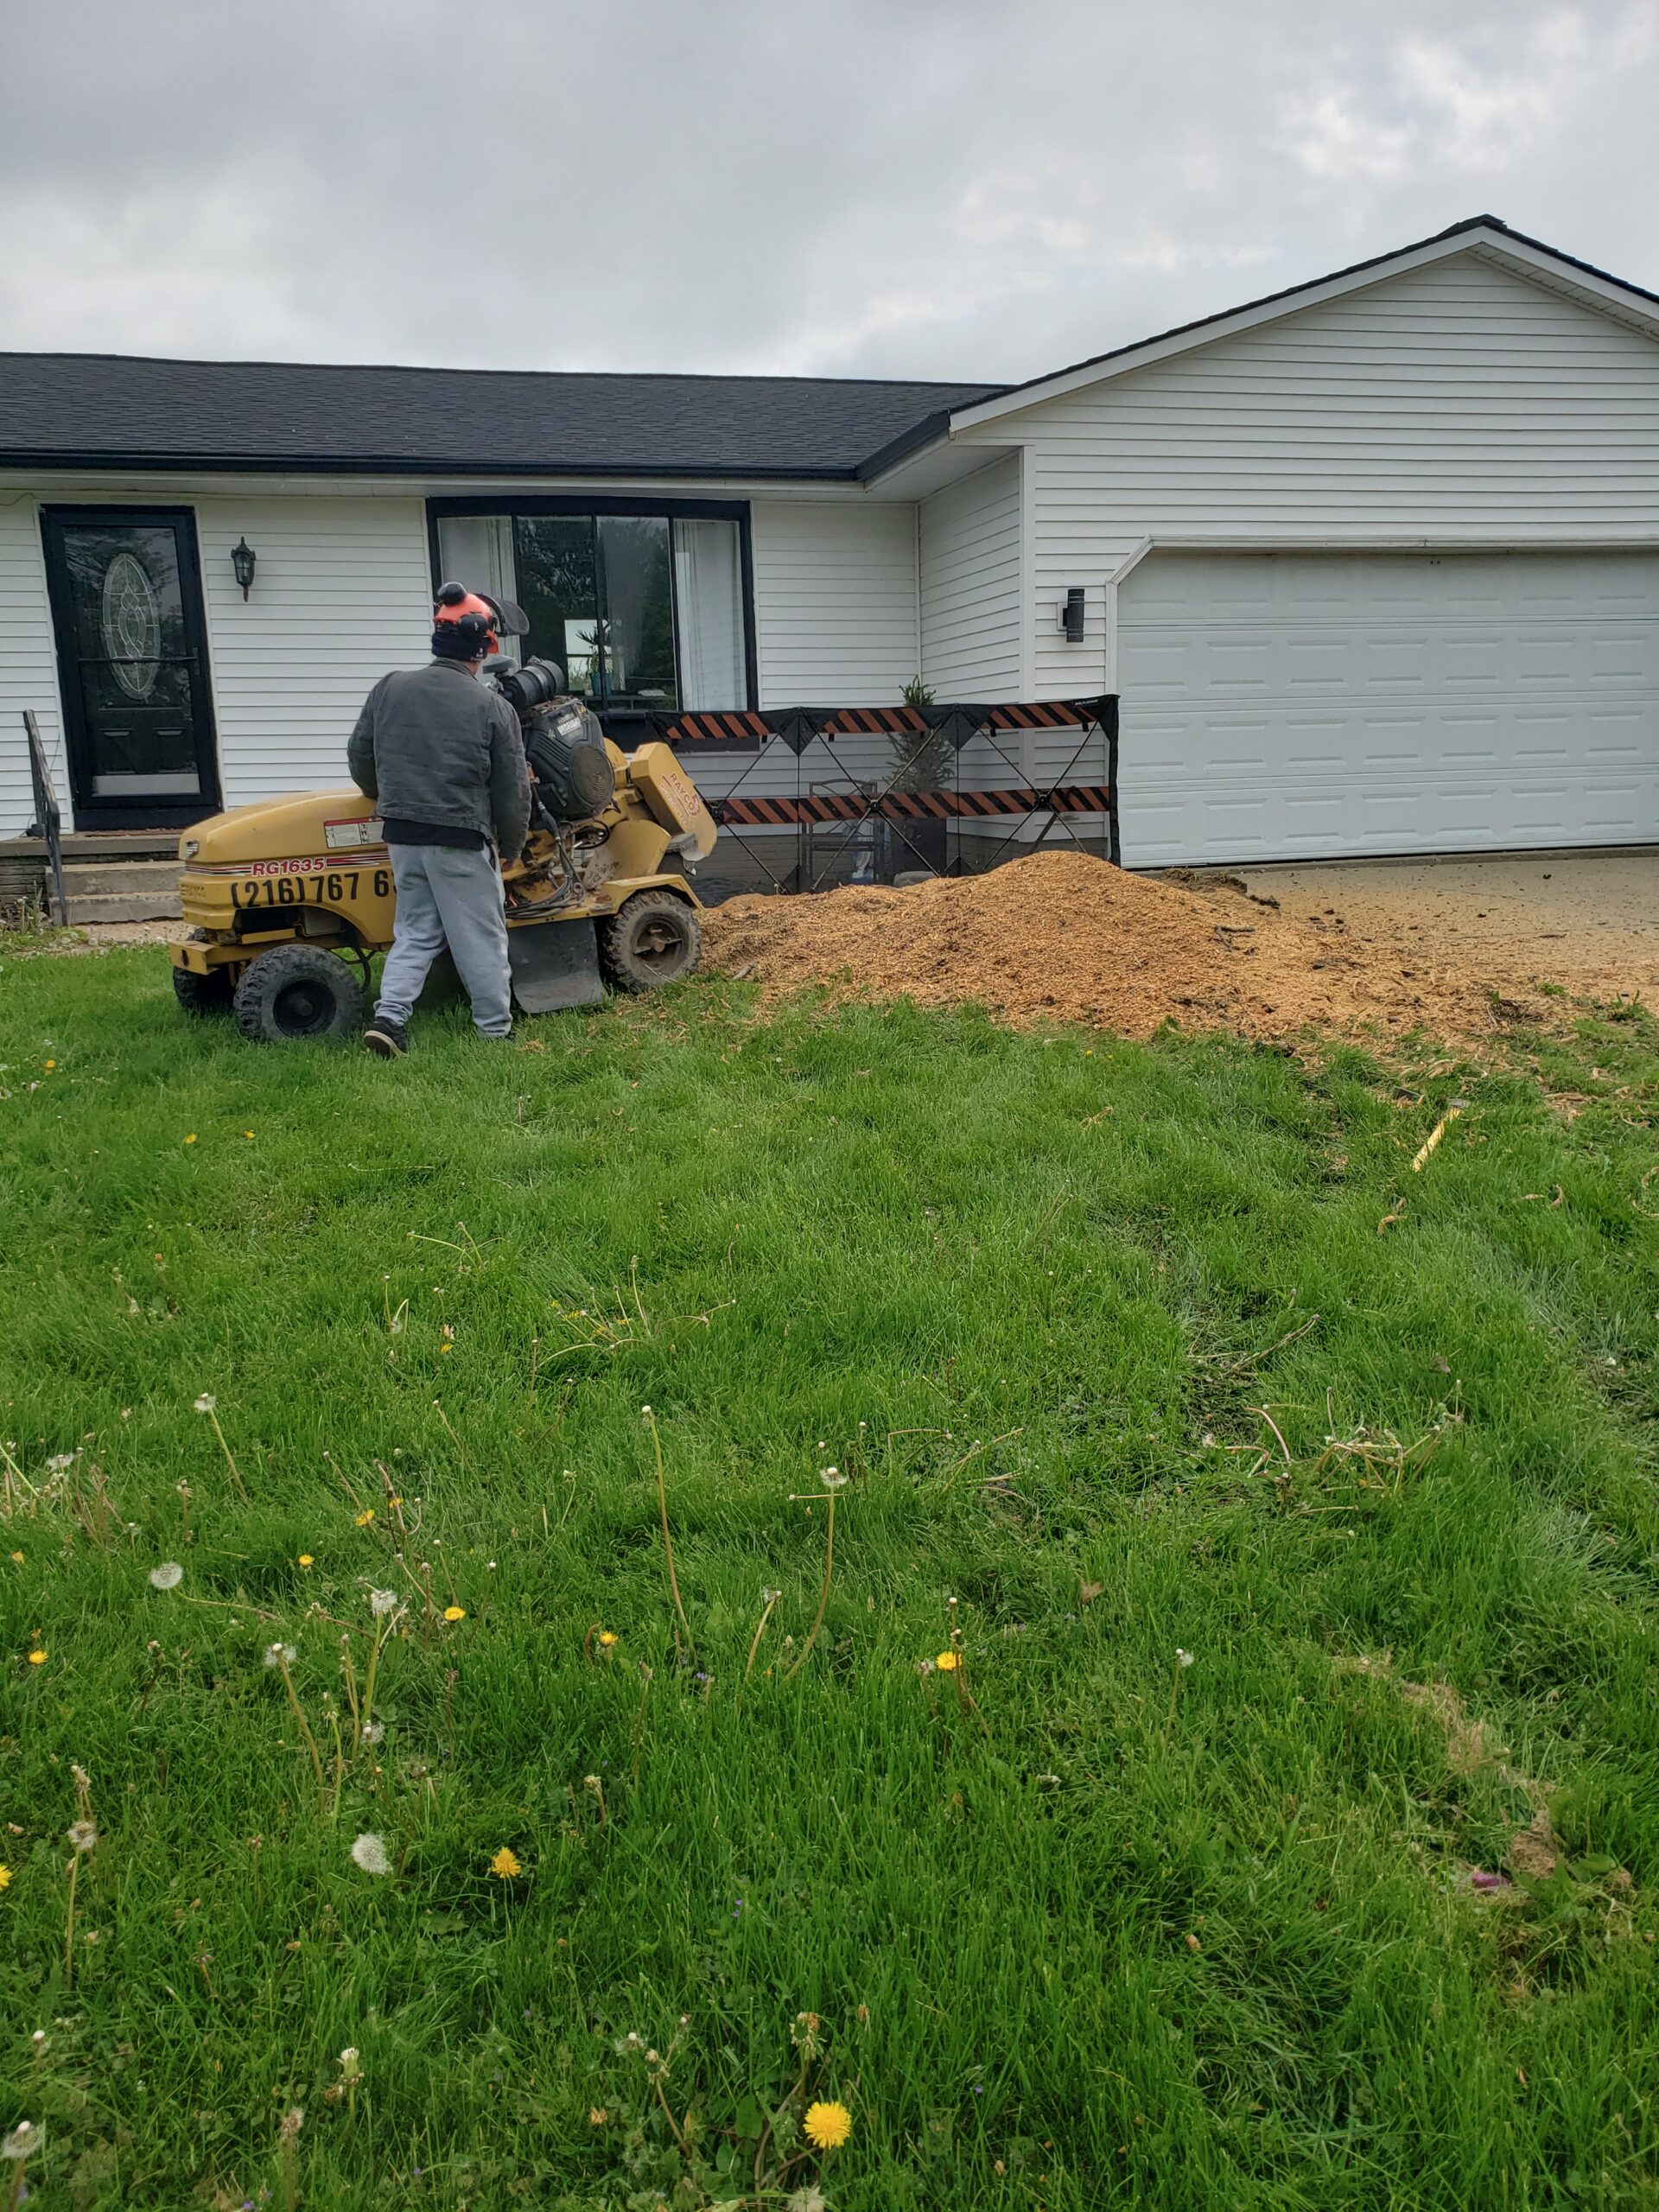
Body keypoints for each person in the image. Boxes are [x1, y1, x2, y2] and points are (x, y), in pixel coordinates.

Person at [347, 584, 532, 1057]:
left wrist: (385, 795)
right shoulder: (493, 707)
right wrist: (512, 845)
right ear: (483, 648)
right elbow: (513, 789)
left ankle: (390, 1018)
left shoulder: (389, 687)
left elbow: (360, 758)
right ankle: (495, 1033)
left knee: (415, 930)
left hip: (403, 834)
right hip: (459, 836)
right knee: (480, 937)